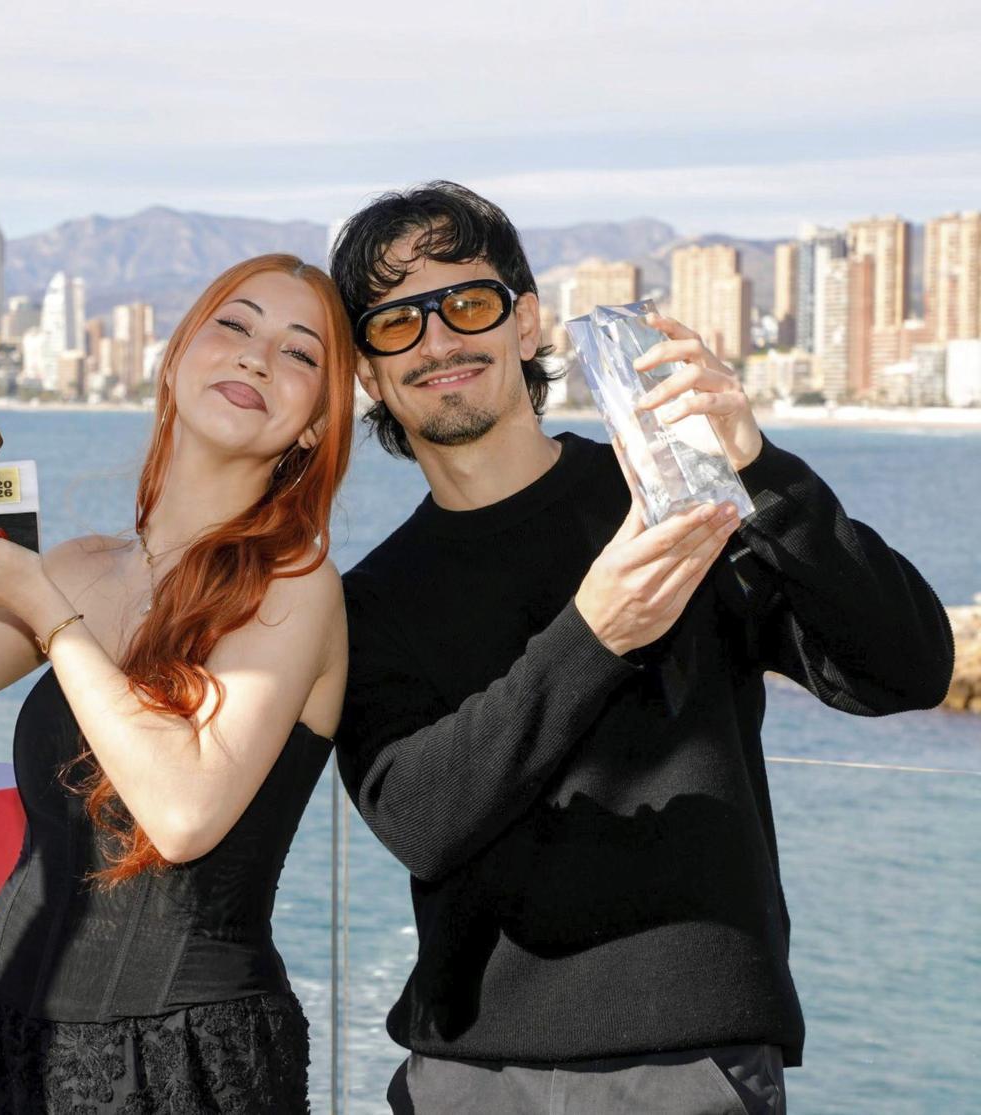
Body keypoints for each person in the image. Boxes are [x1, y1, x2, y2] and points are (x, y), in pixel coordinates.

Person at [329, 182, 954, 1114]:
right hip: (463, 1077)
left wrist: (762, 470)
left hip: (687, 1060)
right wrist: (595, 634)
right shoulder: (370, 599)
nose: (439, 342)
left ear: (528, 322)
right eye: (395, 324)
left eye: (466, 304)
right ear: (367, 373)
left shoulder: (674, 494)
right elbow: (420, 820)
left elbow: (906, 668)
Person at [0, 254, 355, 1113]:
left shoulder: (296, 585)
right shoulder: (81, 567)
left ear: (314, 424)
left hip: (181, 1060)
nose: (258, 357)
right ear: (174, 359)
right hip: (0, 1031)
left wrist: (48, 615)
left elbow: (185, 815)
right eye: (235, 325)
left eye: (300, 353)